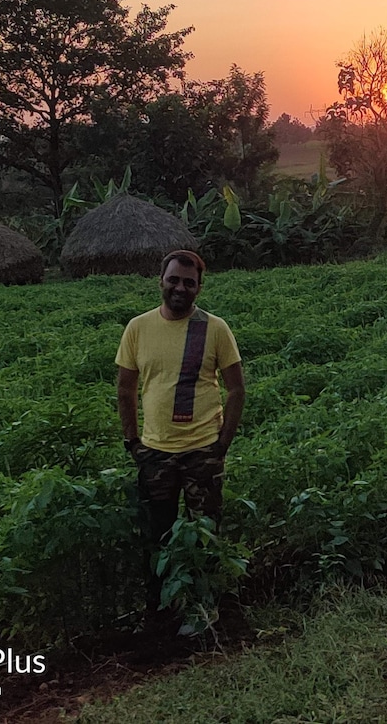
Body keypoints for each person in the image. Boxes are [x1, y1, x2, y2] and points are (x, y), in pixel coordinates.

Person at [115, 249, 245, 616]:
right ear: (161, 281)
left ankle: (209, 613)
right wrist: (133, 442)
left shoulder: (215, 328)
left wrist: (221, 445)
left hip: (203, 452)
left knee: (207, 536)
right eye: (174, 280)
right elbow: (125, 389)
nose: (180, 288)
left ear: (199, 289)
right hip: (155, 454)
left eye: (189, 283)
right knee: (158, 537)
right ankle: (160, 613)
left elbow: (237, 389)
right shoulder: (137, 328)